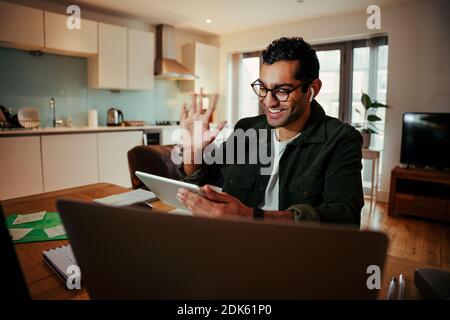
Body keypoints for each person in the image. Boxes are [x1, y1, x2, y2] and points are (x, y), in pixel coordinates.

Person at [175, 37, 364, 225]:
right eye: (263, 88)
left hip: (292, 248)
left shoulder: (341, 139)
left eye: (282, 90)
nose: (269, 101)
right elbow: (203, 179)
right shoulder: (246, 129)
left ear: (312, 89)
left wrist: (250, 217)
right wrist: (193, 153)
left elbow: (345, 216)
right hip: (232, 239)